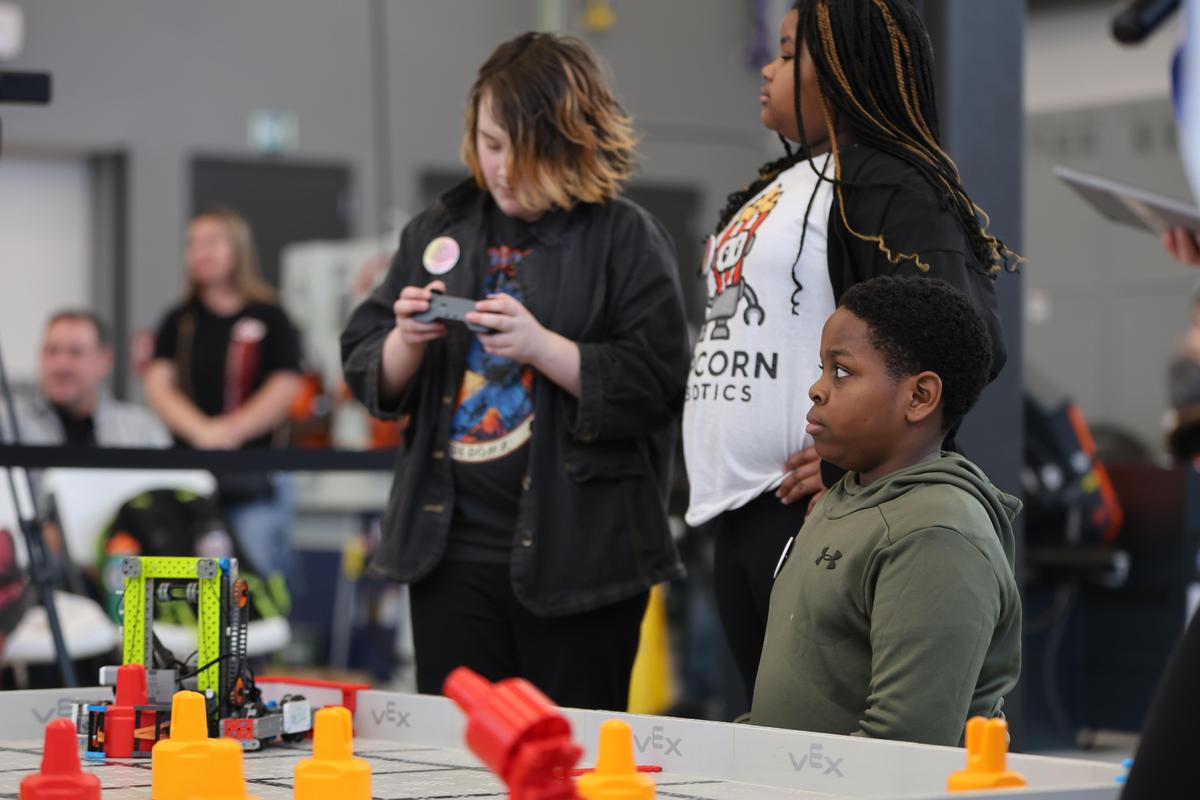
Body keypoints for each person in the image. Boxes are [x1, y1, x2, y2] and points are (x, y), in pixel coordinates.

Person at [340, 32, 689, 711]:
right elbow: (365, 362)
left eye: (521, 152)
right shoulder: (441, 226)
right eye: (489, 143)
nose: (501, 170)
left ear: (572, 142)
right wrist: (406, 340)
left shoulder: (625, 237)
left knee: (568, 752)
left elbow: (656, 385)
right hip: (449, 554)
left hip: (581, 561)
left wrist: (542, 347)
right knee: (457, 753)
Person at [682, 0, 1014, 703]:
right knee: (761, 728)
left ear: (839, 69)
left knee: (816, 732)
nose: (766, 69)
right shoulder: (779, 184)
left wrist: (845, 464)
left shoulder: (888, 182)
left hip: (813, 509)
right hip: (739, 511)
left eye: (785, 52)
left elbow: (964, 338)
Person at [749, 276, 1021, 745]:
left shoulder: (937, 533)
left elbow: (902, 748)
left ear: (919, 397)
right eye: (821, 369)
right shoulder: (844, 498)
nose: (816, 389)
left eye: (841, 372)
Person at [143, 208, 302, 578]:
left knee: (253, 577)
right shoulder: (179, 320)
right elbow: (158, 384)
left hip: (255, 478)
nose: (201, 252)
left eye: (212, 242)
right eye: (193, 244)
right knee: (190, 579)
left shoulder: (271, 316)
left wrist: (233, 430)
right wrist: (202, 432)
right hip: (190, 478)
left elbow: (285, 384)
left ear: (238, 249)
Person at [6, 310, 169, 447]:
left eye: (75, 352)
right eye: (52, 351)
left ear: (104, 360)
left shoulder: (141, 431)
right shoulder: (9, 426)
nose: (61, 364)